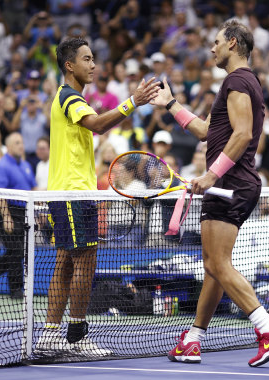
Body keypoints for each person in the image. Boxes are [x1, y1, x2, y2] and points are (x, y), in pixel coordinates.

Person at [151, 20, 269, 367]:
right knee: (214, 266)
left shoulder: (238, 80)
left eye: (216, 42)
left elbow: (244, 134)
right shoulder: (239, 83)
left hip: (229, 183)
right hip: (233, 182)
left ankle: (268, 328)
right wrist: (172, 104)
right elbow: (205, 131)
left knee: (217, 263)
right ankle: (193, 340)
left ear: (232, 43)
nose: (211, 48)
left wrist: (210, 175)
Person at [34, 37, 159, 356]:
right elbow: (99, 125)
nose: (94, 65)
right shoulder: (69, 97)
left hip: (71, 193)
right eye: (87, 59)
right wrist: (132, 102)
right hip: (72, 194)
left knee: (64, 263)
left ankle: (50, 334)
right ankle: (76, 336)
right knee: (85, 263)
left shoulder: (70, 98)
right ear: (69, 65)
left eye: (94, 59)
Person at [0, 133, 36, 299]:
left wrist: (37, 212)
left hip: (24, 212)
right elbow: (0, 194)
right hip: (5, 212)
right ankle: (16, 289)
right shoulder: (1, 166)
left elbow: (32, 189)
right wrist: (6, 217)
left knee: (20, 251)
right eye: (17, 143)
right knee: (16, 250)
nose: (21, 145)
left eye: (21, 142)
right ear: (9, 146)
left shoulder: (26, 165)